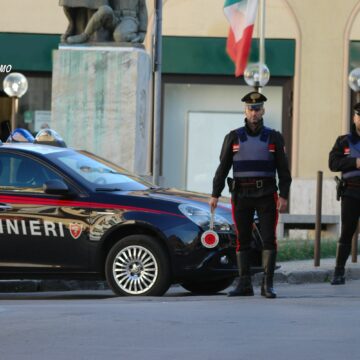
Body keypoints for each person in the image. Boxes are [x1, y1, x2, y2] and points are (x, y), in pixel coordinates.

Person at [209, 91, 292, 298]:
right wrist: (215, 194)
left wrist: (283, 195)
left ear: (263, 110)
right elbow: (223, 168)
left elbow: (284, 170)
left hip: (266, 194)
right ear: (245, 110)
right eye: (250, 109)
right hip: (241, 195)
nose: (253, 113)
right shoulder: (234, 137)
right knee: (242, 239)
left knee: (268, 239)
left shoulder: (274, 137)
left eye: (257, 109)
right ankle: (244, 284)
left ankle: (267, 285)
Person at [329, 102, 360, 285]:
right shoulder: (344, 141)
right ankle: (338, 271)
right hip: (351, 192)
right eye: (359, 115)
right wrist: (355, 163)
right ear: (355, 118)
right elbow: (333, 163)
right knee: (347, 231)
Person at [65, 0, 148, 44]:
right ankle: (84, 35)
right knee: (104, 10)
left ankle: (132, 37)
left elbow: (143, 9)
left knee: (119, 36)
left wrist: (142, 32)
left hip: (129, 19)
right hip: (114, 17)